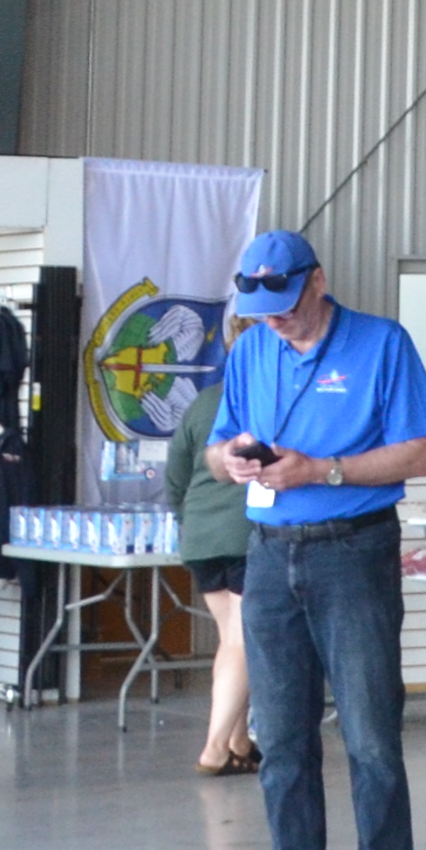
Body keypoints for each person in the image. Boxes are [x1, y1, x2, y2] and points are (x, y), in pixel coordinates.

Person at [206, 231, 426, 850]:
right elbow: (216, 451)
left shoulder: (382, 344)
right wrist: (234, 462)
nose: (273, 318)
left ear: (318, 283)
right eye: (259, 306)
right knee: (280, 737)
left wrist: (322, 472)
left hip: (353, 553)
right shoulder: (251, 350)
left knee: (370, 735)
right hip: (270, 558)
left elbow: (418, 454)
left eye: (283, 303)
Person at [166, 328, 259, 778]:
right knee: (242, 642)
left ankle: (241, 740)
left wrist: (189, 519)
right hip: (247, 535)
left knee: (232, 640)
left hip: (200, 537)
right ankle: (215, 748)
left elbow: (175, 476)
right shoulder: (264, 402)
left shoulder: (203, 404)